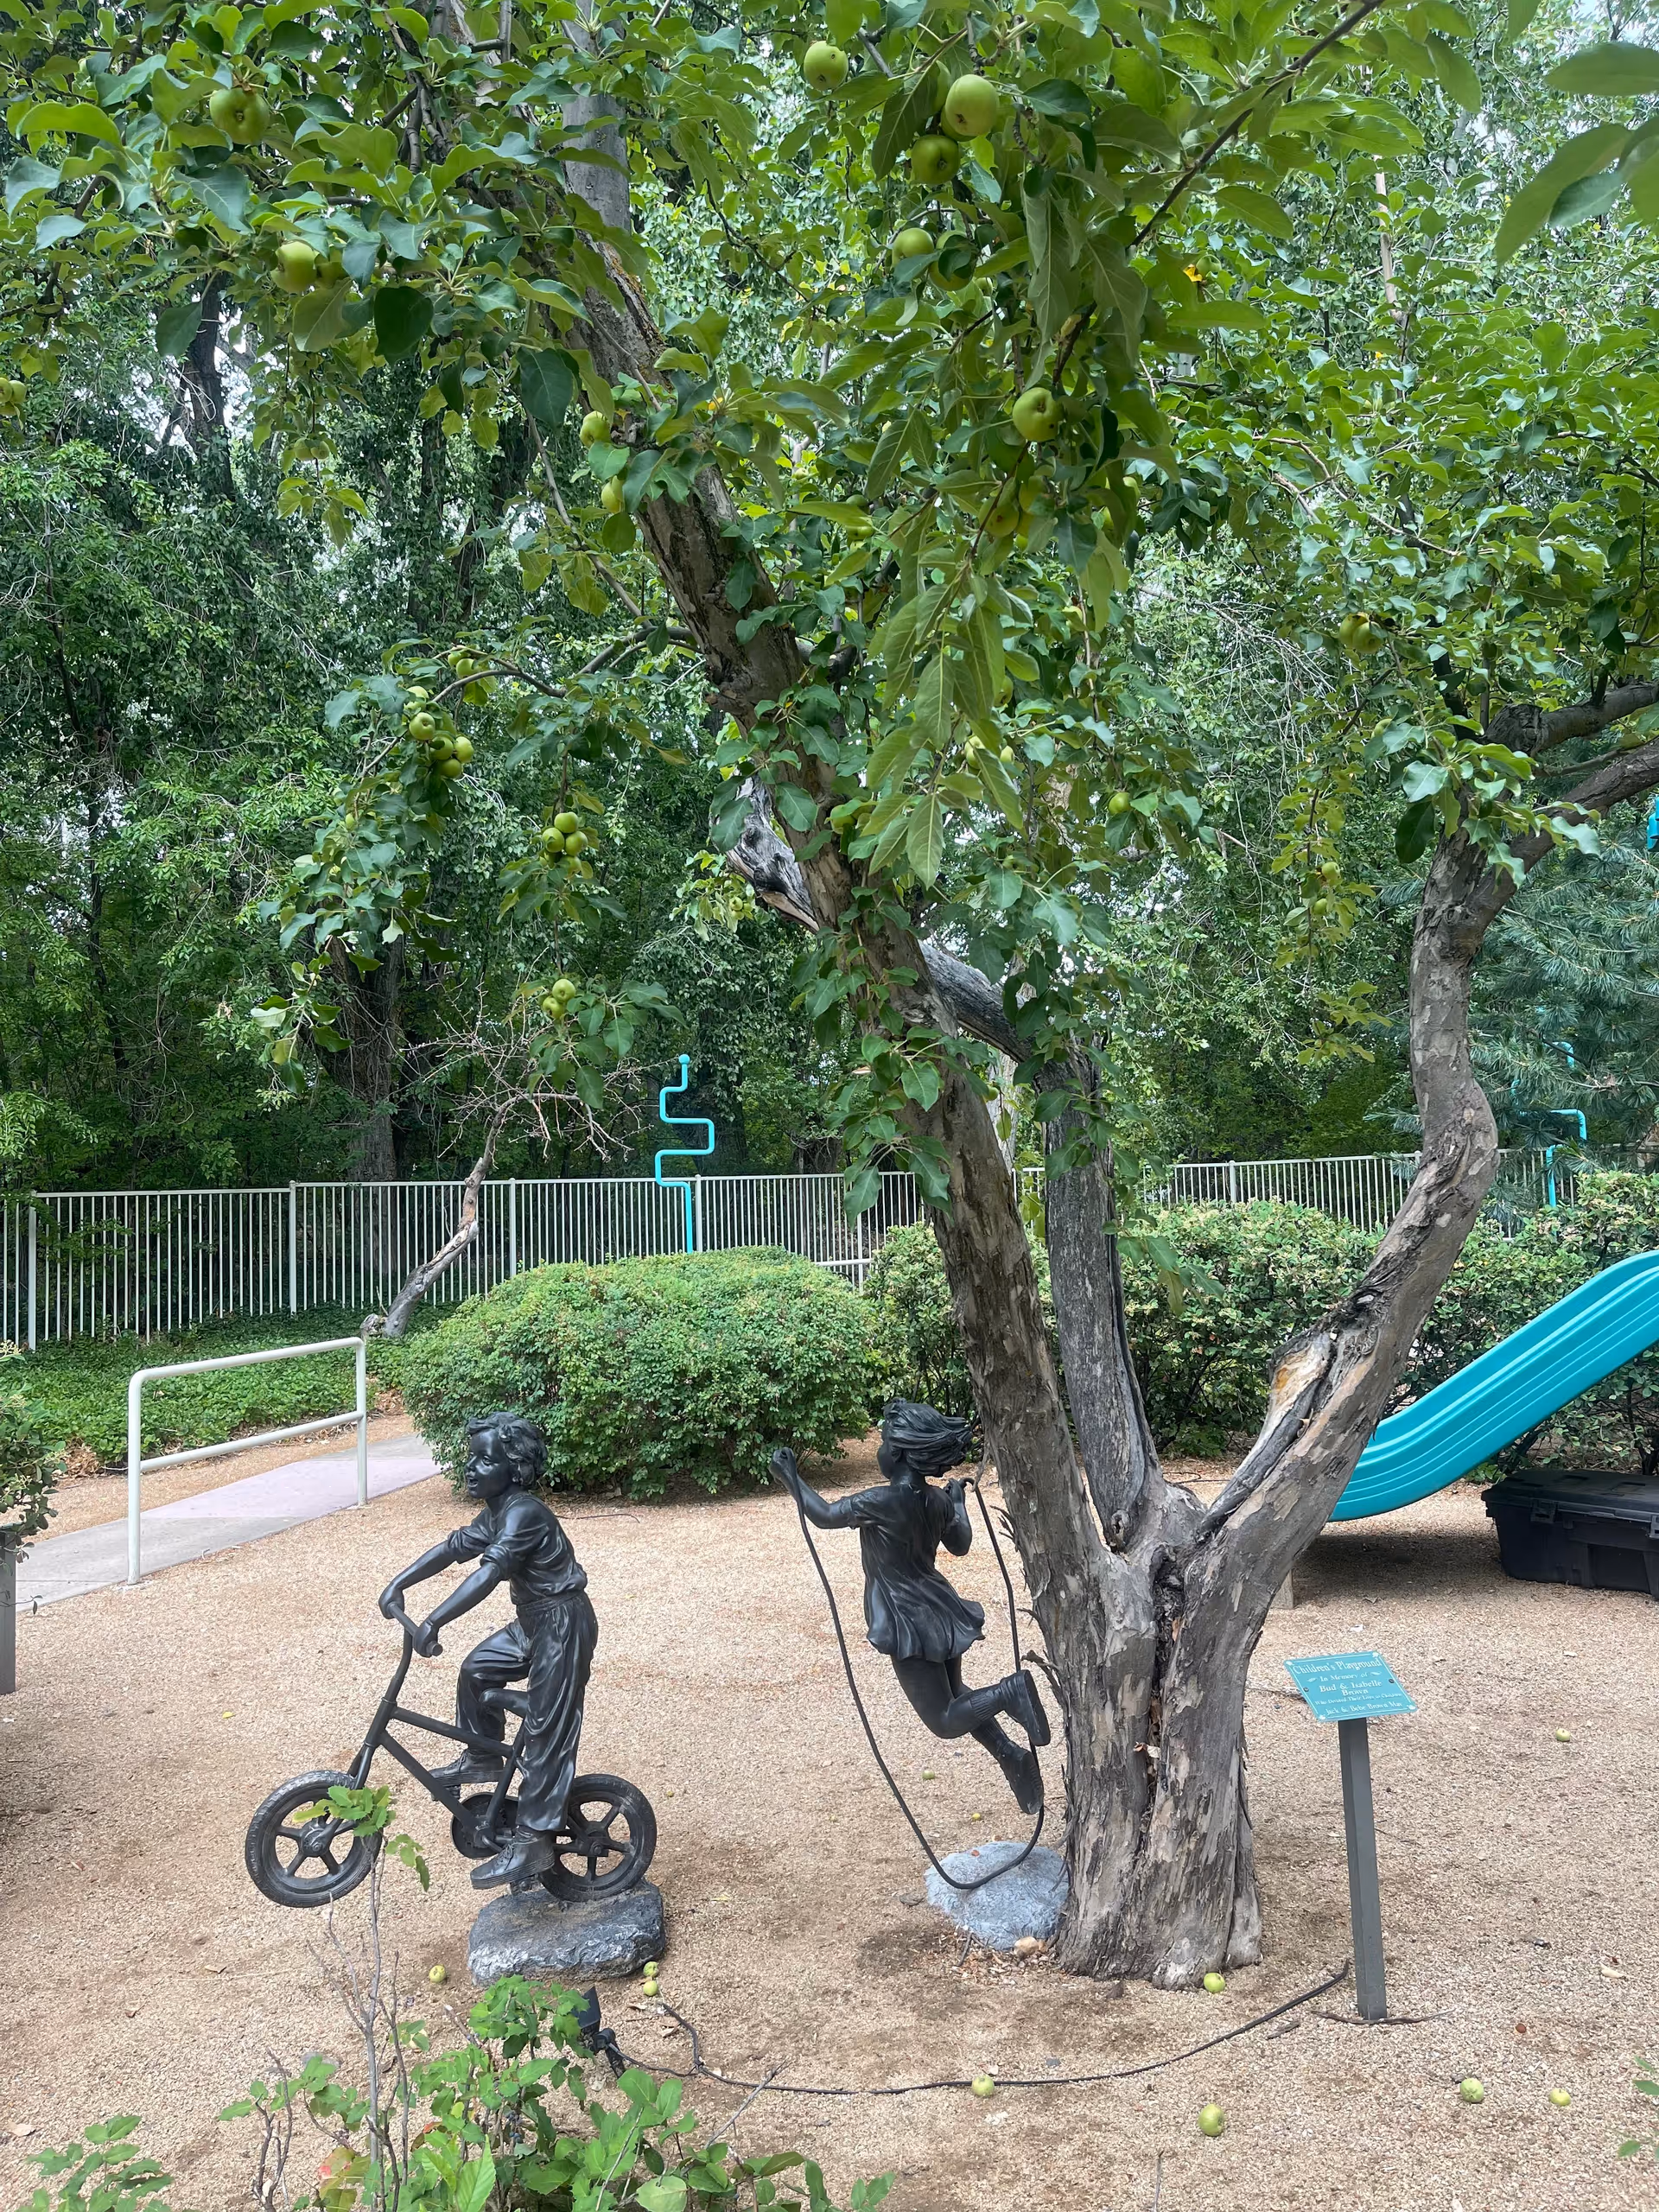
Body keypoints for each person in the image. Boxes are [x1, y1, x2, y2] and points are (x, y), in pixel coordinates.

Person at [772, 1399, 1050, 1814]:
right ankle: (1009, 1755)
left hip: (907, 1621)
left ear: (898, 1451)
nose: (879, 1449)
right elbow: (960, 1543)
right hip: (939, 1610)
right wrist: (958, 1505)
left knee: (942, 1719)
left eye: (883, 1442)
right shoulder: (936, 1501)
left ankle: (1009, 1692)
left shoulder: (882, 1501)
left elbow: (826, 1515)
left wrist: (791, 1478)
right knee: (955, 1693)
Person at [378, 1412, 595, 1891]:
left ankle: (534, 1842)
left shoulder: (524, 1513)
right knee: (477, 1670)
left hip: (562, 1624)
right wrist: (400, 1584)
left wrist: (434, 1619)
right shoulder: (497, 1511)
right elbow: (454, 1549)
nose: (471, 1468)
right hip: (533, 1622)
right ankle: (481, 1757)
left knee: (546, 1728)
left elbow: (487, 1574)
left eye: (484, 1459)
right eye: (470, 1457)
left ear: (514, 1469)